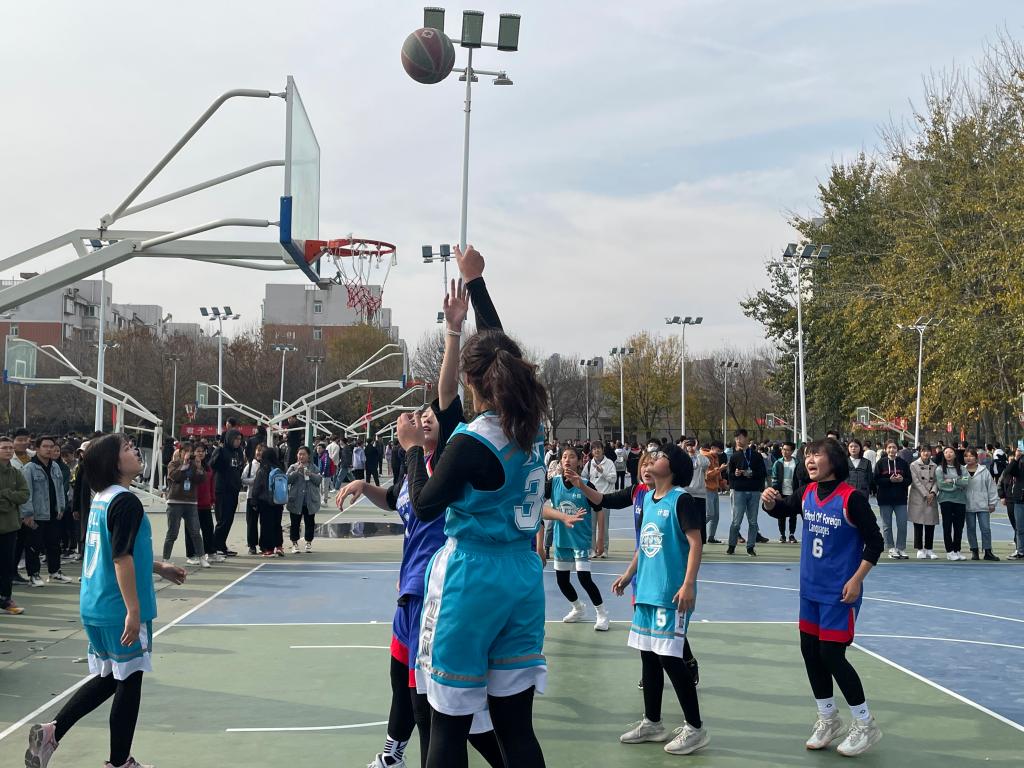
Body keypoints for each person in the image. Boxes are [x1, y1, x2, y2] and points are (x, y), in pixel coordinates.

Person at [339, 254, 507, 768]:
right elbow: (401, 499)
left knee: (437, 705)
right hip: (411, 590)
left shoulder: (451, 456)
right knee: (403, 682)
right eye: (420, 416)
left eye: (431, 415)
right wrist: (364, 485)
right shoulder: (416, 474)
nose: (424, 417)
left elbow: (447, 392)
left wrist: (455, 333)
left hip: (445, 588)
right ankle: (395, 750)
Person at [401, 322, 548, 768]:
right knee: (517, 729)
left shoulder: (471, 441)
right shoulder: (531, 430)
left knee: (447, 724)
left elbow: (424, 505)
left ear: (470, 380)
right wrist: (476, 291)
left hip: (471, 578)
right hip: (522, 576)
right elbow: (499, 342)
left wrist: (412, 449)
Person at [25, 433, 186, 768]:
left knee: (112, 677)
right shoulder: (125, 502)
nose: (135, 451)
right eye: (127, 448)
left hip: (95, 603)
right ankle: (119, 762)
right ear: (113, 463)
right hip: (118, 606)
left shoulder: (102, 497)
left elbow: (118, 550)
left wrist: (159, 567)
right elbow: (121, 558)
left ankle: (52, 731)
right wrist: (133, 610)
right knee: (129, 682)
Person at [761, 438, 884, 757]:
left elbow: (875, 543)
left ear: (834, 460)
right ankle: (828, 717)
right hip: (810, 589)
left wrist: (857, 579)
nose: (810, 459)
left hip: (839, 593)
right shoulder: (806, 493)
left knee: (831, 655)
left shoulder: (851, 499)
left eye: (817, 454)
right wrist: (770, 503)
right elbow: (783, 509)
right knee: (810, 652)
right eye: (807, 455)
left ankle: (865, 723)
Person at [608, 444, 709, 755]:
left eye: (661, 457)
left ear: (673, 467)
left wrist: (688, 584)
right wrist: (628, 575)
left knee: (670, 659)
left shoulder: (681, 500)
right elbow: (644, 545)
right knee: (648, 657)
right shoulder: (649, 499)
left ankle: (695, 728)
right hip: (647, 593)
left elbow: (696, 543)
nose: (652, 460)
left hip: (670, 595)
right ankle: (652, 722)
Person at [547, 446, 609, 631]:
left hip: (580, 540)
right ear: (560, 461)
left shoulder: (586, 485)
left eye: (572, 456)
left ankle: (602, 613)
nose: (567, 459)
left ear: (580, 461)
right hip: (561, 539)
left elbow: (599, 510)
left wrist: (600, 539)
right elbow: (537, 505)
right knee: (562, 581)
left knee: (584, 578)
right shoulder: (553, 483)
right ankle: (578, 608)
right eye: (564, 457)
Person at [21, 436, 73, 586]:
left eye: (51, 446)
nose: (49, 449)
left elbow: (60, 489)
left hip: (54, 513)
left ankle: (55, 572)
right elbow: (27, 493)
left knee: (54, 544)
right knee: (34, 545)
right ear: (37, 449)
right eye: (45, 446)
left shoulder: (55, 466)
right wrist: (28, 513)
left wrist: (61, 507)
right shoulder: (29, 468)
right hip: (37, 514)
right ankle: (34, 575)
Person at [163, 443, 210, 568]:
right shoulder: (173, 464)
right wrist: (184, 463)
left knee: (195, 532)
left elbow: (202, 479)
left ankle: (201, 557)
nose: (188, 454)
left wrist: (199, 467)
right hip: (175, 502)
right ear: (181, 452)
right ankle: (166, 559)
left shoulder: (194, 465)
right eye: (186, 451)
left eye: (190, 451)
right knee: (172, 533)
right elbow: (175, 476)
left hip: (191, 502)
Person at [0, 435, 30, 615]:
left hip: (10, 526)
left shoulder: (16, 473)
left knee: (7, 566)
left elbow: (24, 494)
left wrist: (6, 494)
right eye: (4, 448)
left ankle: (6, 599)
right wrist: (9, 500)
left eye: (10, 448)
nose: (8, 451)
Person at [726, 429, 766, 556]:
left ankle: (750, 547)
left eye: (740, 437)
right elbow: (729, 475)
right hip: (739, 491)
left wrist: (751, 473)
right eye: (736, 438)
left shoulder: (757, 456)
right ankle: (731, 546)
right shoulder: (734, 456)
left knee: (753, 521)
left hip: (754, 491)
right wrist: (736, 474)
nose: (738, 440)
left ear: (746, 438)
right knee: (736, 521)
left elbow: (763, 473)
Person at [872, 441, 911, 560]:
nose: (891, 450)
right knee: (887, 525)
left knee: (902, 524)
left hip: (901, 498)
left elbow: (909, 479)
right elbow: (876, 480)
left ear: (897, 449)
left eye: (894, 447)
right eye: (889, 447)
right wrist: (889, 480)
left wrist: (902, 480)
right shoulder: (880, 463)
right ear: (885, 449)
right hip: (885, 499)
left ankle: (901, 548)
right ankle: (891, 548)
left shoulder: (903, 463)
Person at [209, 429, 245, 557]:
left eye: (240, 439)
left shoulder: (238, 452)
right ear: (230, 439)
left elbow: (239, 468)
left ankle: (222, 545)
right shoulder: (221, 450)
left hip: (233, 490)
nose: (238, 441)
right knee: (222, 519)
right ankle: (214, 546)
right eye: (236, 439)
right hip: (222, 489)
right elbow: (211, 466)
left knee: (229, 519)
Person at [963, 447, 999, 561]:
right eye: (966, 456)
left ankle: (988, 551)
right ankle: (974, 551)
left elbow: (991, 487)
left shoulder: (984, 471)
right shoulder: (962, 471)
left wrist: (992, 503)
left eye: (971, 456)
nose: (968, 458)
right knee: (971, 528)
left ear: (976, 457)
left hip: (983, 504)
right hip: (968, 505)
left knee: (986, 528)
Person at [582, 441, 616, 557]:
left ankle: (604, 550)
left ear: (602, 450)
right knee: (591, 527)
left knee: (604, 527)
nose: (596, 450)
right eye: (594, 449)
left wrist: (603, 472)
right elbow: (583, 479)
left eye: (598, 448)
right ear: (591, 451)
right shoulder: (589, 464)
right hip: (591, 498)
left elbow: (613, 479)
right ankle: (592, 550)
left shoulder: (609, 463)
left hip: (605, 498)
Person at [936, 446, 970, 561]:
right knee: (947, 526)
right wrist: (956, 486)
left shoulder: (962, 468)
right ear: (943, 455)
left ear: (955, 454)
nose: (949, 454)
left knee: (959, 526)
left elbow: (966, 481)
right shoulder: (940, 469)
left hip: (960, 500)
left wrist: (953, 481)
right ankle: (949, 551)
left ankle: (957, 550)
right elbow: (941, 485)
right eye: (946, 452)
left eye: (951, 452)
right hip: (946, 500)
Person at [252, 446, 286, 557]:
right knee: (277, 524)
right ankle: (279, 546)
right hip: (278, 500)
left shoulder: (263, 469)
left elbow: (257, 486)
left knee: (266, 525)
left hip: (265, 501)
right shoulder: (279, 468)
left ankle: (268, 548)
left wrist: (254, 501)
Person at [287, 446, 321, 553]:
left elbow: (318, 480)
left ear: (308, 456)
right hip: (296, 500)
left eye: (303, 454)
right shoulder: (293, 467)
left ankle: (308, 542)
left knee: (310, 522)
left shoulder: (314, 467)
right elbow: (287, 479)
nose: (301, 456)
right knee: (295, 523)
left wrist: (310, 474)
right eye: (299, 454)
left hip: (309, 500)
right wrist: (296, 471)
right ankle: (294, 544)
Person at [908, 444, 940, 559]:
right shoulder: (913, 465)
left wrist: (933, 492)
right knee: (918, 523)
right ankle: (919, 549)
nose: (926, 453)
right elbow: (915, 482)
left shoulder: (935, 466)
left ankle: (929, 548)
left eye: (928, 451)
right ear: (919, 452)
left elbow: (937, 481)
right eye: (923, 451)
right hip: (918, 497)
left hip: (931, 497)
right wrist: (926, 494)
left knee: (930, 523)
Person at [771, 442, 799, 543]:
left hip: (793, 492)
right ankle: (782, 535)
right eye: (783, 449)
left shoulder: (797, 463)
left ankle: (791, 535)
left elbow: (800, 478)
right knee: (781, 515)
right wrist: (776, 491)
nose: (784, 451)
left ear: (792, 451)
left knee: (793, 515)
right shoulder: (777, 463)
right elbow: (774, 478)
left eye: (787, 450)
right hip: (781, 492)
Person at [702, 441, 726, 544]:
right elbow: (707, 475)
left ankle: (711, 537)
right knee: (709, 514)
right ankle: (695, 528)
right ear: (712, 448)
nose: (719, 453)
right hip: (707, 489)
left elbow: (717, 473)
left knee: (716, 516)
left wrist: (721, 482)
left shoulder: (715, 458)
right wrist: (720, 469)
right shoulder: (705, 457)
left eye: (721, 451)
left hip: (714, 489)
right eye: (718, 451)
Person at [241, 443, 264, 555]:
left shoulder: (267, 465)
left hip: (265, 498)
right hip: (252, 496)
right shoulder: (250, 465)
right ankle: (252, 545)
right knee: (251, 522)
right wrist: (254, 481)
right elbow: (243, 479)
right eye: (258, 450)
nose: (259, 453)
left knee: (264, 522)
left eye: (262, 450)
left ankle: (264, 544)